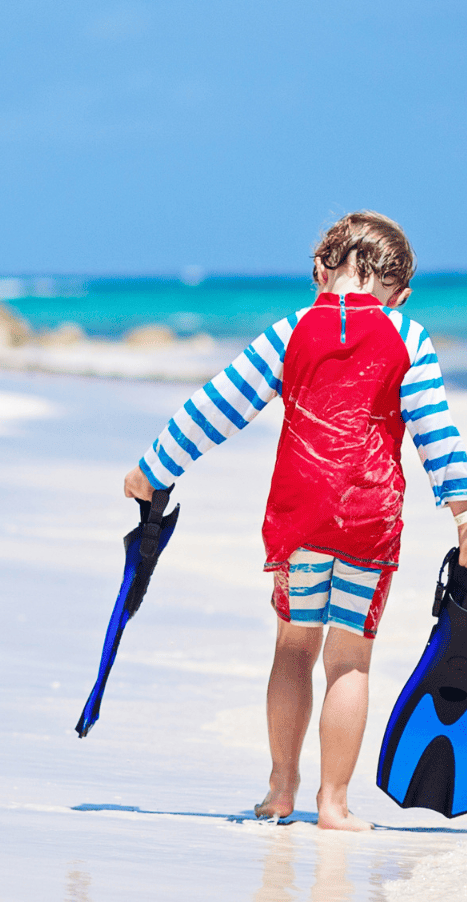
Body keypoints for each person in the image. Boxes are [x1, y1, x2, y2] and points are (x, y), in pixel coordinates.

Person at [122, 211, 467, 830]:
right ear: (401, 294)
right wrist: (464, 509)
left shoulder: (289, 332)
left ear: (319, 272)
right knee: (350, 662)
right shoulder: (408, 337)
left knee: (293, 648)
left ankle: (281, 790)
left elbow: (218, 406)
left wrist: (153, 468)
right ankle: (332, 804)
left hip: (297, 521)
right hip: (368, 522)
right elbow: (437, 436)